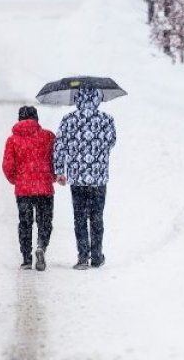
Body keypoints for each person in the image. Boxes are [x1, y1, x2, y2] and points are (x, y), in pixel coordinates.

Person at [53, 88, 117, 270]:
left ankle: (82, 257)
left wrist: (60, 171)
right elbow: (112, 142)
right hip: (98, 177)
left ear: (77, 99)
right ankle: (96, 256)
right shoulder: (107, 119)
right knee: (96, 217)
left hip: (77, 178)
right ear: (97, 98)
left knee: (79, 217)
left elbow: (59, 146)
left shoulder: (69, 120)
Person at [2, 106, 56, 271]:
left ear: (19, 119)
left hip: (24, 189)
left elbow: (7, 165)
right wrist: (52, 176)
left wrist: (16, 180)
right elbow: (57, 159)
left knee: (25, 223)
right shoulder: (48, 136)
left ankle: (26, 259)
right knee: (44, 221)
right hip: (44, 188)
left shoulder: (12, 140)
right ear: (36, 119)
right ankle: (41, 245)